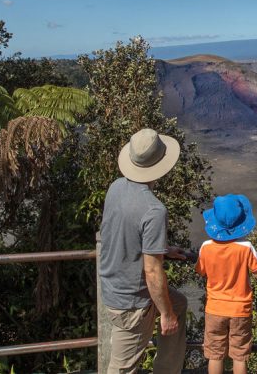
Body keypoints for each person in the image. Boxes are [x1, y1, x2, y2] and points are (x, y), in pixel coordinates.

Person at [99, 128, 188, 374]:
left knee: (179, 303)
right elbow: (151, 270)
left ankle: (167, 369)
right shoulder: (154, 209)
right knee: (122, 367)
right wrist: (166, 314)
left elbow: (123, 232)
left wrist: (161, 249)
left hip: (112, 285)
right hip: (132, 300)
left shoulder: (116, 187)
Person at [196, 193, 257, 374]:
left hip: (215, 309)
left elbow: (200, 271)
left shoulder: (205, 247)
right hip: (240, 310)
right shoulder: (246, 248)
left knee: (215, 354)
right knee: (239, 355)